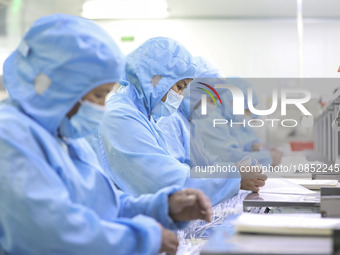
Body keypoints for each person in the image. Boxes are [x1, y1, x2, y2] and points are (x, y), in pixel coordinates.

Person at [0, 14, 212, 255]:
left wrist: (164, 207)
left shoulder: (64, 135)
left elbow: (103, 206)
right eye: (99, 95)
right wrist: (143, 238)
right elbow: (51, 234)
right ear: (60, 86)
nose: (103, 108)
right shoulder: (10, 136)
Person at [94, 44, 264, 206]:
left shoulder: (146, 116)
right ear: (155, 79)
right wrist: (233, 177)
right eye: (180, 87)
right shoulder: (120, 116)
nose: (182, 96)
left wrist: (231, 173)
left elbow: (198, 167)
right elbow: (166, 182)